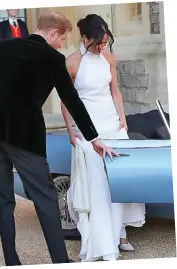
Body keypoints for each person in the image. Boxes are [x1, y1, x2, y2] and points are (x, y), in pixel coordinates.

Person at [0, 12, 118, 266]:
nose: (61, 43)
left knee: (3, 199)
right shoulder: (53, 58)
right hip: (24, 138)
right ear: (52, 33)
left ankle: (11, 261)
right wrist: (94, 137)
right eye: (61, 38)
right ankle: (60, 261)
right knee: (46, 198)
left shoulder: (2, 46)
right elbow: (71, 99)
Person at [61, 14, 146, 262]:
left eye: (105, 43)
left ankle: (119, 233)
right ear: (84, 38)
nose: (101, 48)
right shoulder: (72, 63)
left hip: (113, 125)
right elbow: (67, 100)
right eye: (97, 43)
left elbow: (115, 91)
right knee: (97, 185)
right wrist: (70, 129)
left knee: (117, 181)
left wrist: (123, 119)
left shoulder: (109, 57)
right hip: (89, 130)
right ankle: (101, 241)